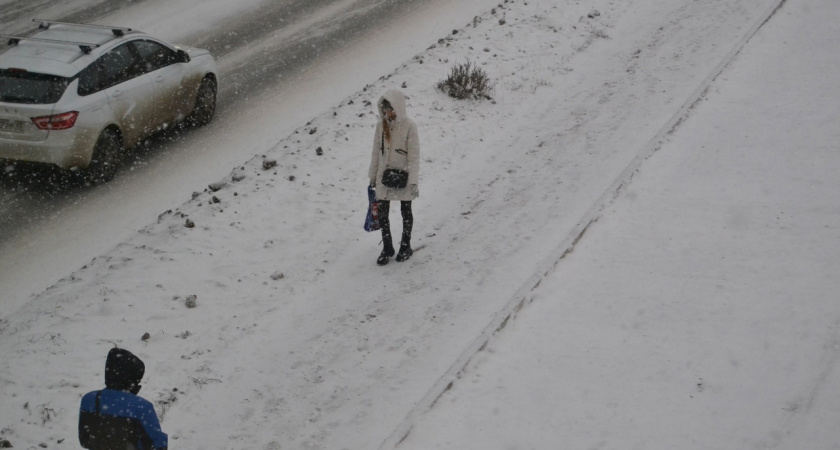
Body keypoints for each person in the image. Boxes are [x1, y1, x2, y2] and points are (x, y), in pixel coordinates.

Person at [78, 347, 168, 450]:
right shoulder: (141, 407)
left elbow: (85, 440)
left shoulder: (89, 399)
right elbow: (158, 444)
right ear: (132, 377)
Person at [369, 89, 420, 265]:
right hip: (384, 176)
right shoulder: (380, 127)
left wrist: (413, 181)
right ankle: (387, 247)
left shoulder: (410, 127)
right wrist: (372, 176)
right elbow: (376, 152)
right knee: (382, 214)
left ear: (397, 107)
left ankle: (406, 246)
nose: (386, 112)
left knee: (406, 211)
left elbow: (414, 157)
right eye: (384, 109)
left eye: (389, 108)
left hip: (403, 176)